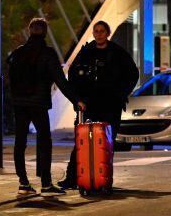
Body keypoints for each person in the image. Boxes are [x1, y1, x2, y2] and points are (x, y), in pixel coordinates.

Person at [58, 21, 139, 189]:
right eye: (96, 31)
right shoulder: (86, 52)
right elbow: (73, 74)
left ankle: (103, 178)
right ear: (93, 33)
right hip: (90, 105)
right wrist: (77, 99)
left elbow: (132, 74)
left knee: (107, 143)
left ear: (107, 33)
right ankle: (72, 178)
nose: (99, 34)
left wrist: (121, 94)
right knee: (80, 142)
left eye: (102, 31)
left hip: (111, 105)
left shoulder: (118, 53)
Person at [7, 18, 83, 195]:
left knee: (20, 142)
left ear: (29, 31)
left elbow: (11, 78)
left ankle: (23, 182)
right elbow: (60, 80)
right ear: (45, 32)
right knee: (44, 141)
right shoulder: (47, 53)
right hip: (38, 102)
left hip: (19, 103)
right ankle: (46, 183)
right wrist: (76, 99)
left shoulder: (18, 52)